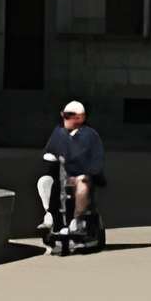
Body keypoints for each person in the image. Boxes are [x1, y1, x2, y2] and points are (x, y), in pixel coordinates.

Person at [40, 98, 106, 254]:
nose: (65, 118)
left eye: (69, 115)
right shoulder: (59, 132)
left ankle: (77, 219)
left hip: (82, 175)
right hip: (62, 174)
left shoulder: (90, 135)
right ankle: (51, 215)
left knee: (82, 182)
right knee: (46, 181)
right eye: (64, 115)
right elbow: (50, 151)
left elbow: (96, 158)